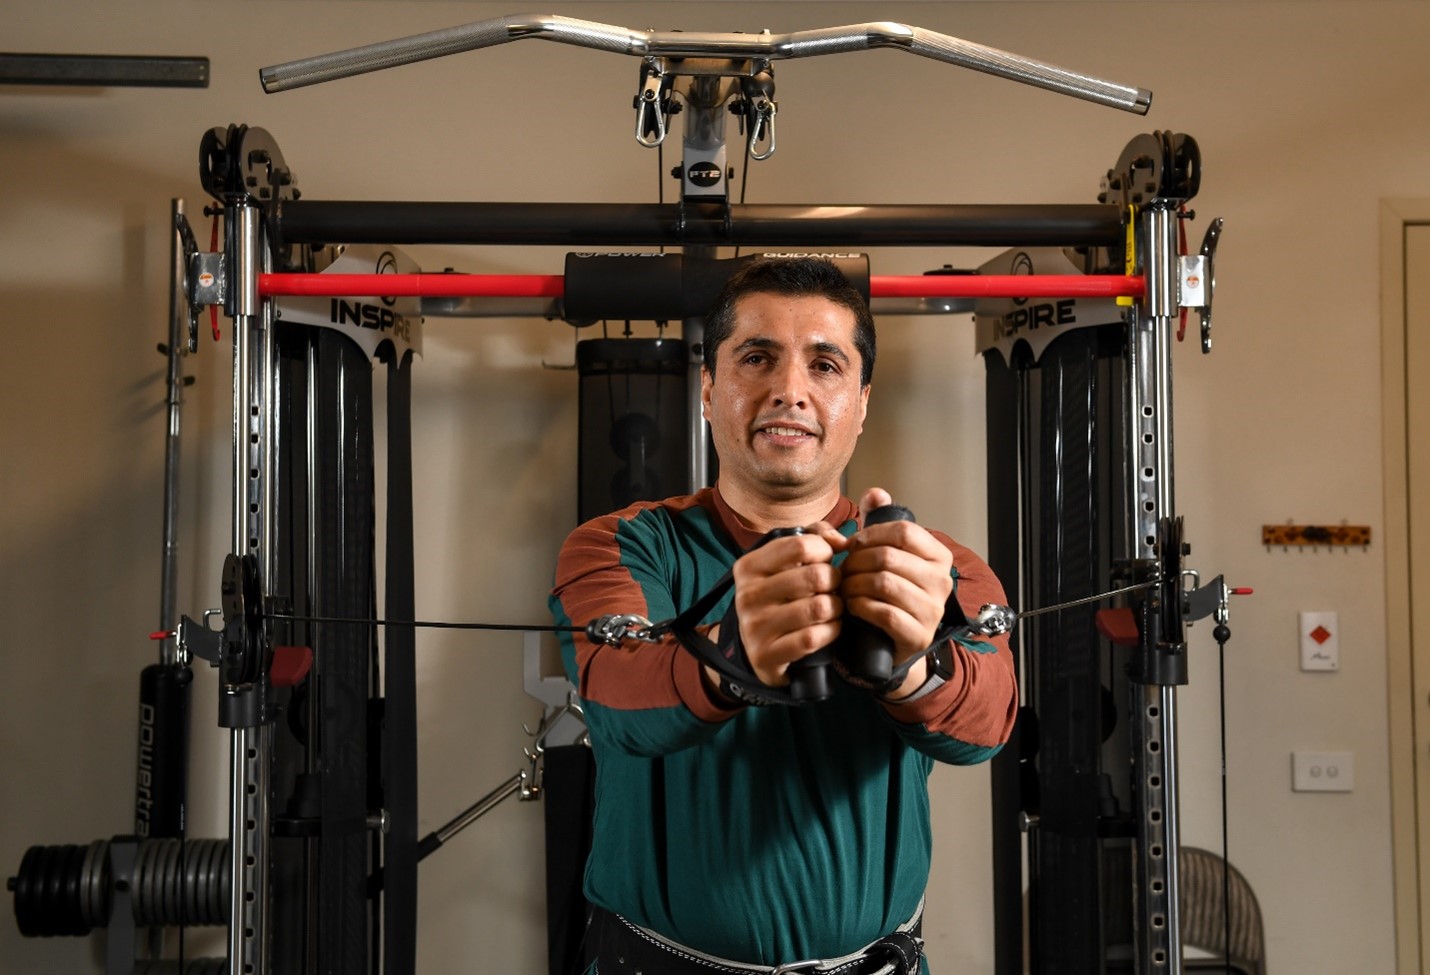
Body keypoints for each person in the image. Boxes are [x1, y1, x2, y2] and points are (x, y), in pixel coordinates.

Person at [549, 256, 1017, 975]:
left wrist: (914, 666)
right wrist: (729, 657)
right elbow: (615, 696)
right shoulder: (621, 544)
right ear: (709, 390)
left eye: (825, 365)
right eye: (757, 357)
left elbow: (989, 722)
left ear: (861, 403)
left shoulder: (929, 566)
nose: (789, 391)